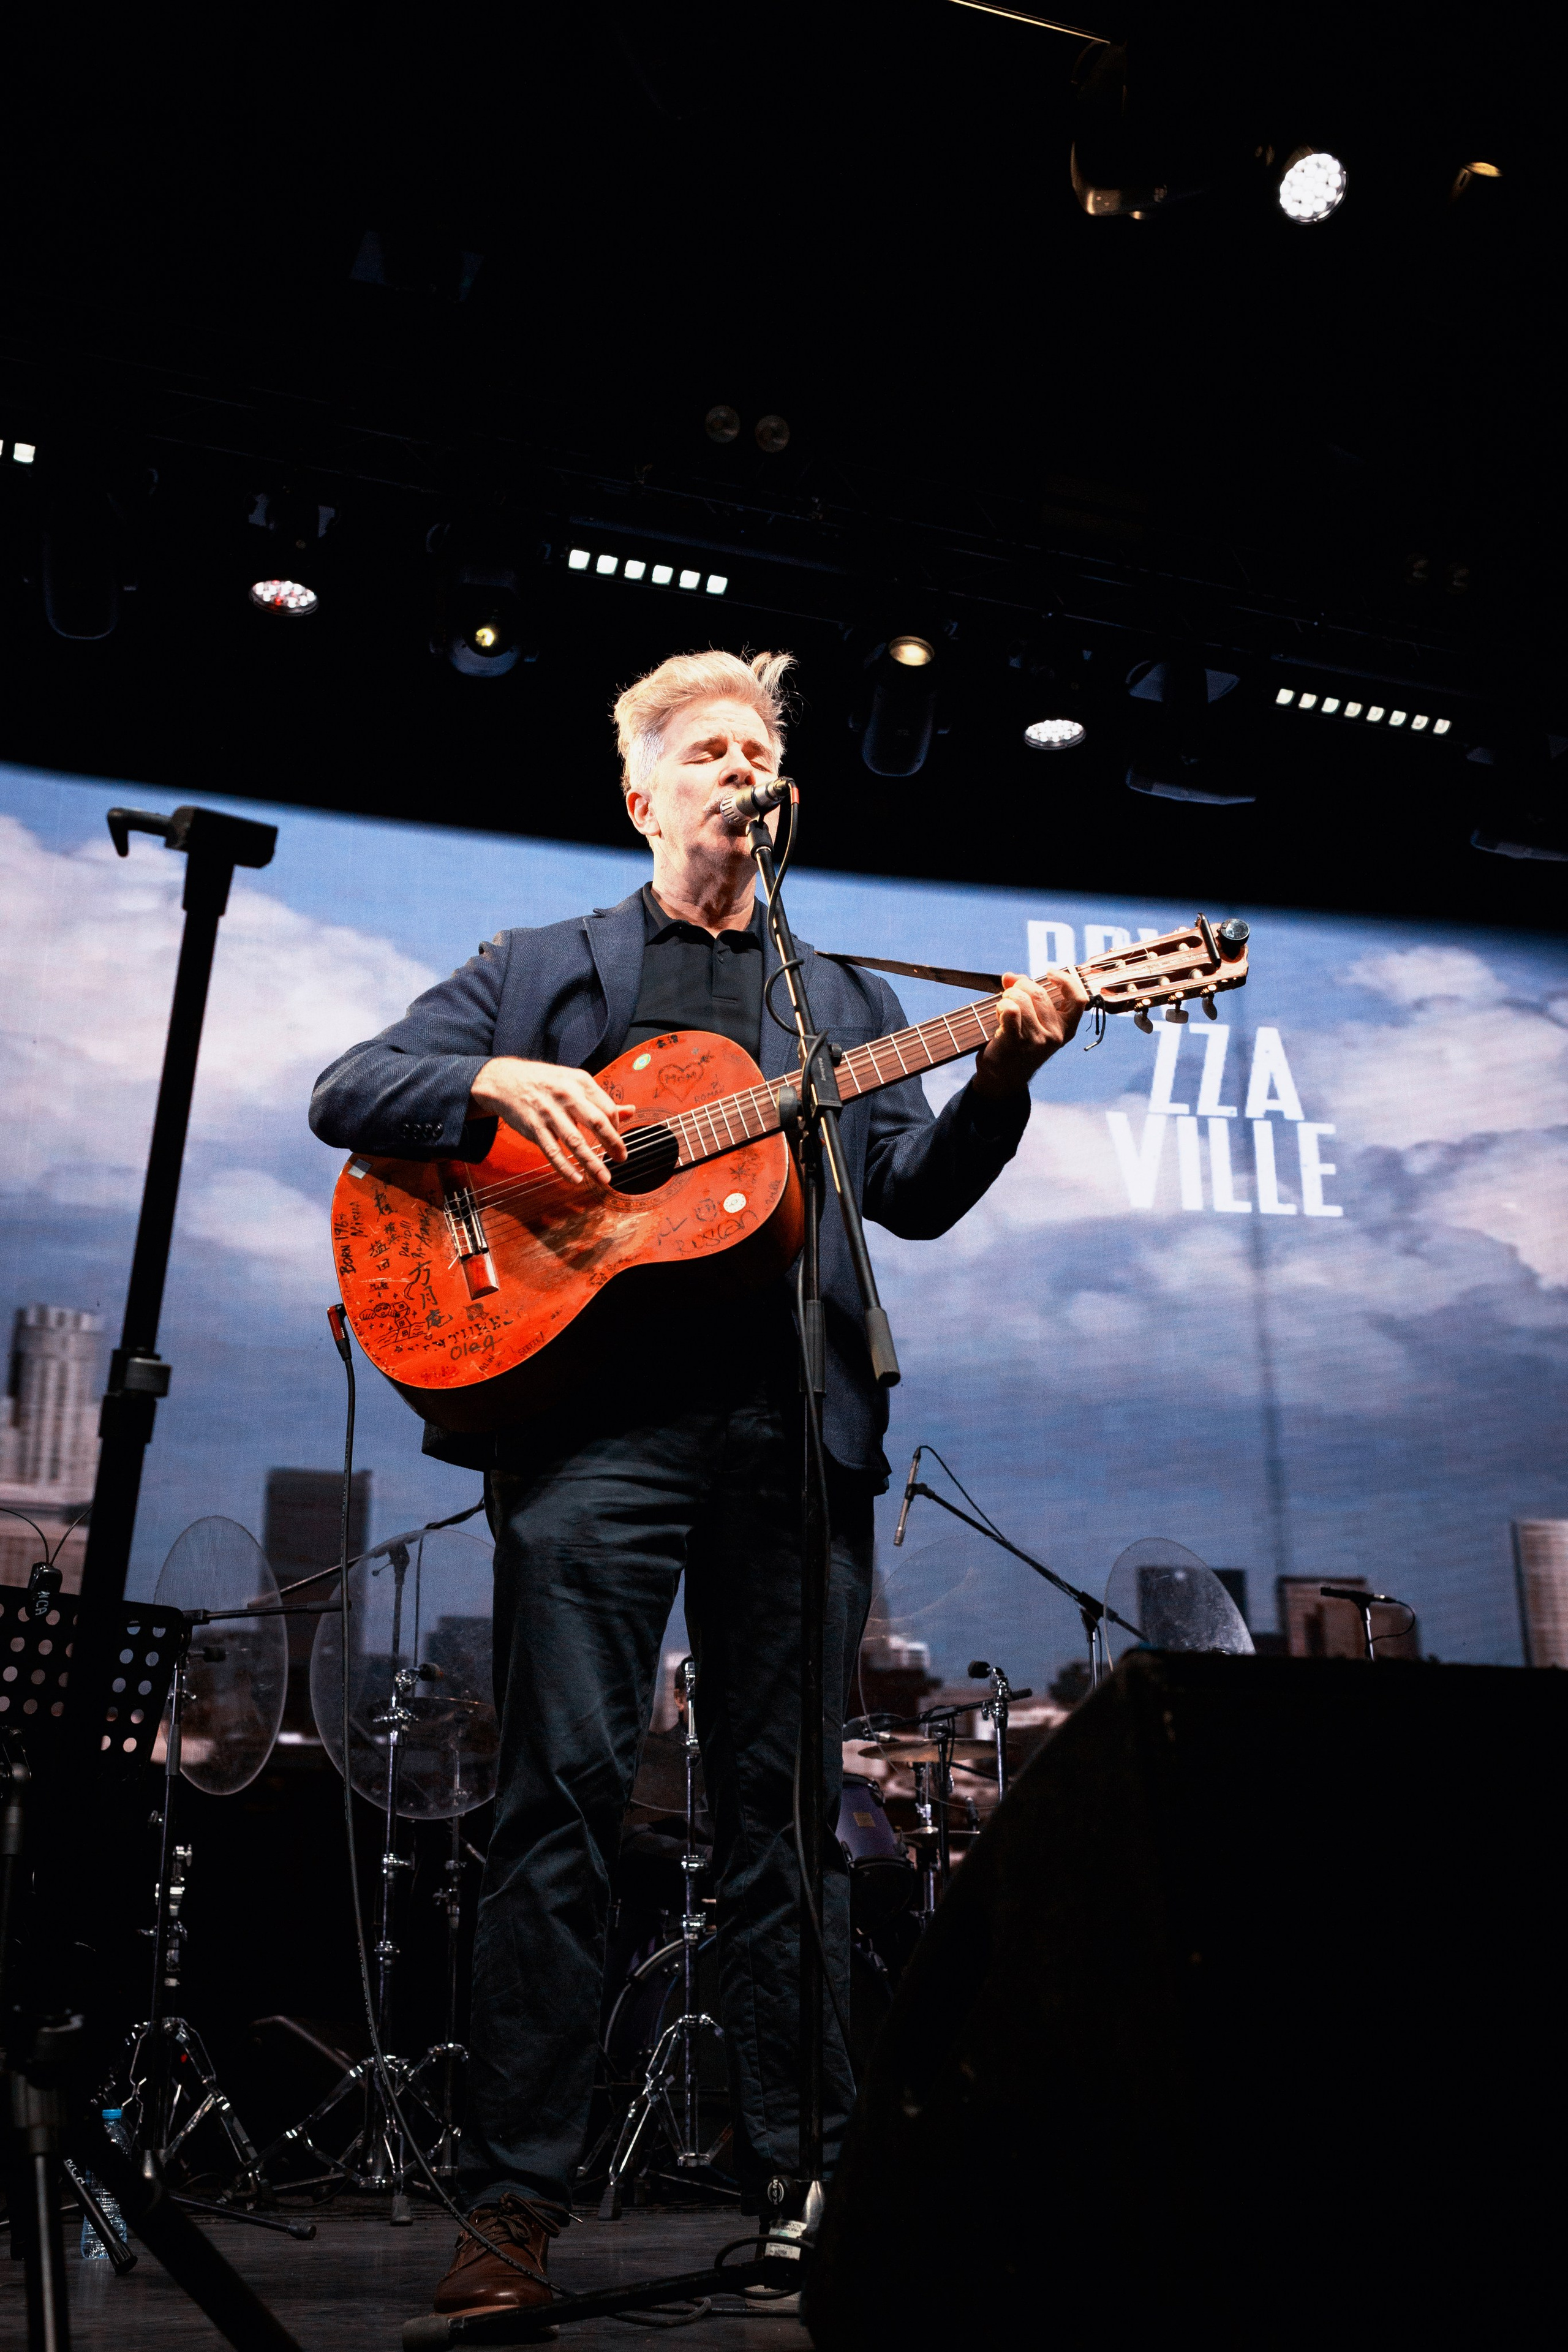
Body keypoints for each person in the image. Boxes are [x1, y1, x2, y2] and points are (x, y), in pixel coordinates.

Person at [309, 648, 1087, 2316]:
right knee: (561, 1803)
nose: (743, 769)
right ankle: (513, 2203)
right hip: (594, 1438)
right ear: (645, 794)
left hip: (790, 1447)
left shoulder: (844, 1001)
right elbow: (348, 1094)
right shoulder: (539, 970)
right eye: (710, 751)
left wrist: (1010, 1068)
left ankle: (808, 2179)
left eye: (761, 749)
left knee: (784, 1824)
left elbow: (918, 1198)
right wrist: (490, 1081)